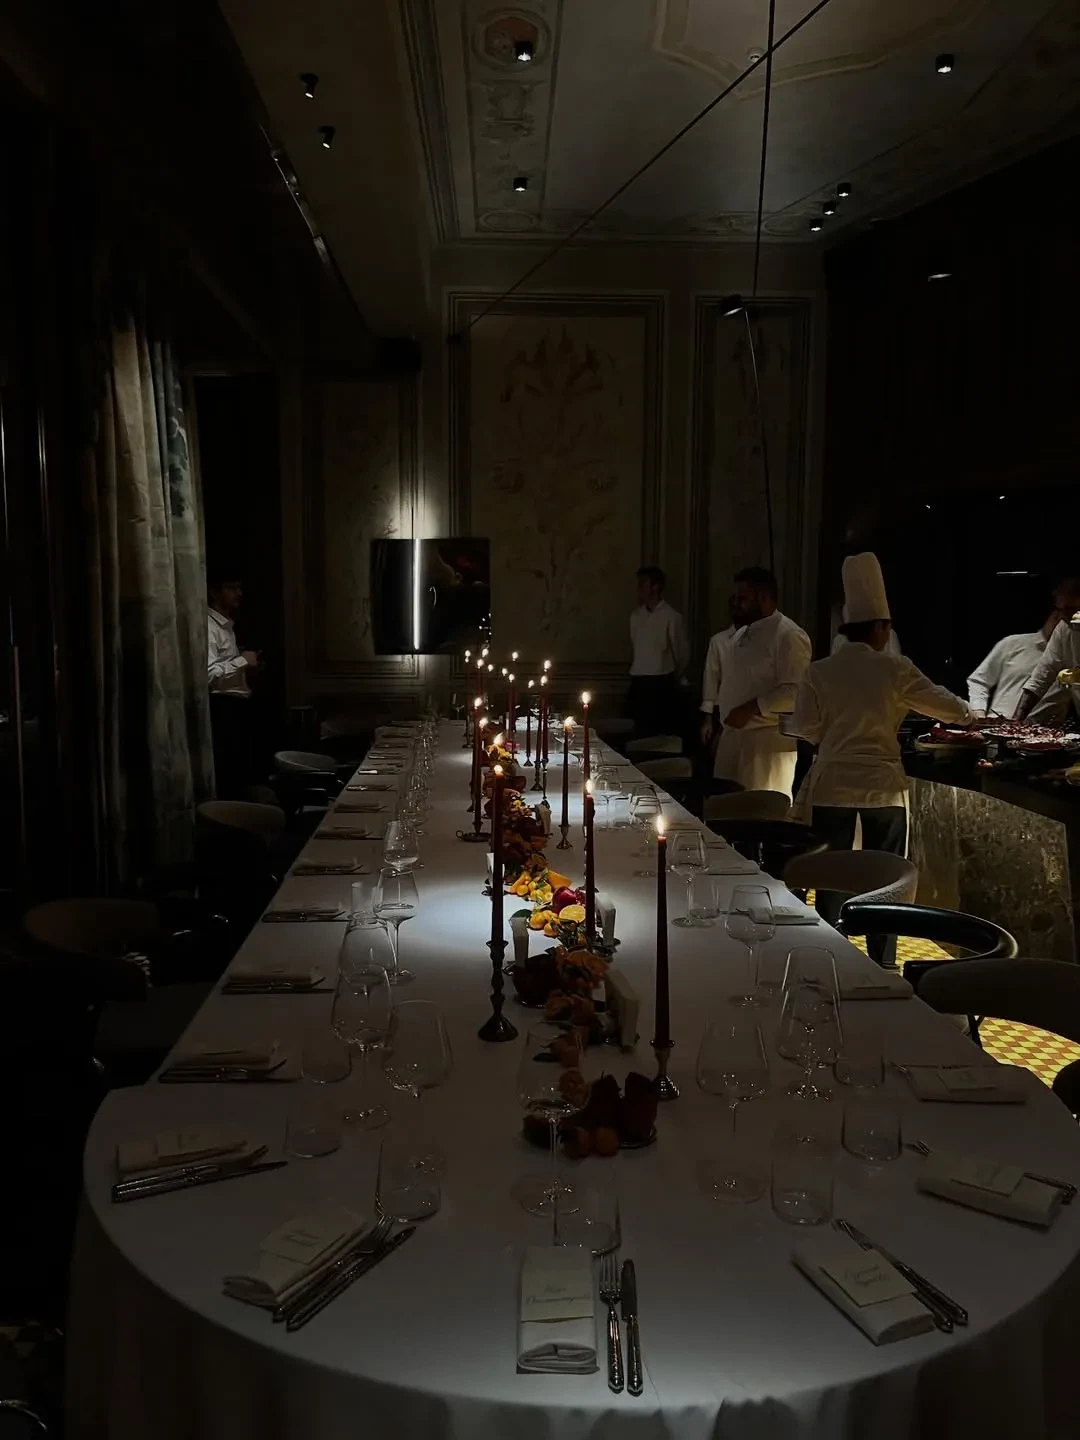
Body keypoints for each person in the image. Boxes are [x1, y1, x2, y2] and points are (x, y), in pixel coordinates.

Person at [792, 553, 971, 963]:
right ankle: (881, 963)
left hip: (833, 785)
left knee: (831, 878)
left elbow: (805, 726)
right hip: (882, 789)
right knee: (885, 885)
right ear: (879, 626)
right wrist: (969, 712)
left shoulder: (820, 671)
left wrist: (833, 737)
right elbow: (948, 708)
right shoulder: (895, 669)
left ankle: (830, 960)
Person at [700, 567, 811, 799]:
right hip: (733, 741)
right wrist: (724, 729)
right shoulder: (741, 635)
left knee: (758, 812)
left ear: (764, 598)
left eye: (743, 598)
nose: (735, 603)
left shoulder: (788, 635)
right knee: (724, 811)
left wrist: (751, 708)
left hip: (766, 748)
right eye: (735, 597)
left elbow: (795, 692)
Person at [207, 573, 261, 797]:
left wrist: (248, 668)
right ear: (214, 592)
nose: (238, 593)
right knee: (230, 778)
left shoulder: (226, 625)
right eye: (231, 588)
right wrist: (242, 661)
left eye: (239, 588)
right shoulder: (209, 626)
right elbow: (208, 674)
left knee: (241, 775)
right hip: (223, 709)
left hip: (237, 708)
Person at [1005, 578, 1080, 724]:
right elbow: (1042, 676)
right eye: (1060, 610)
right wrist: (1018, 720)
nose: (1063, 616)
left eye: (1070, 609)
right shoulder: (1063, 629)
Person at [627, 566, 688, 736]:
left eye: (643, 583)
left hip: (661, 684)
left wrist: (671, 676)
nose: (639, 588)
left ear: (656, 586)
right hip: (638, 682)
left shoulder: (671, 616)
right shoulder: (635, 616)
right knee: (637, 732)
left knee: (659, 734)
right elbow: (635, 645)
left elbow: (681, 652)